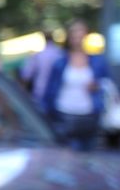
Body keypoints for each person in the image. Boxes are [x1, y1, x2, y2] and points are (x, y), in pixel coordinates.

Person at [35, 18, 112, 151]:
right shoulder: (60, 62)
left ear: (86, 36)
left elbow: (108, 83)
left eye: (80, 34)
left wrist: (97, 86)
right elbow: (50, 90)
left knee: (87, 159)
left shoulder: (97, 61)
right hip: (64, 115)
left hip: (89, 116)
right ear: (69, 37)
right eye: (74, 34)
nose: (77, 38)